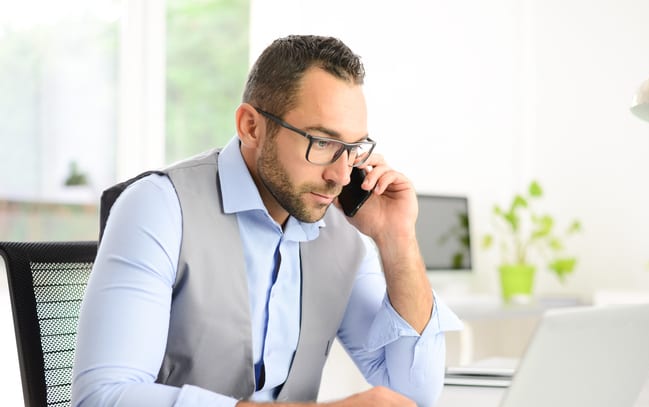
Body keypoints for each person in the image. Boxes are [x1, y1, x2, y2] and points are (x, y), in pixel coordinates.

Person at [71, 34, 461, 407]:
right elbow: (105, 397)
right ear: (251, 127)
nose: (341, 175)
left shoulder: (341, 234)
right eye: (322, 142)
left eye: (352, 148)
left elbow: (415, 393)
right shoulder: (159, 206)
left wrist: (398, 238)